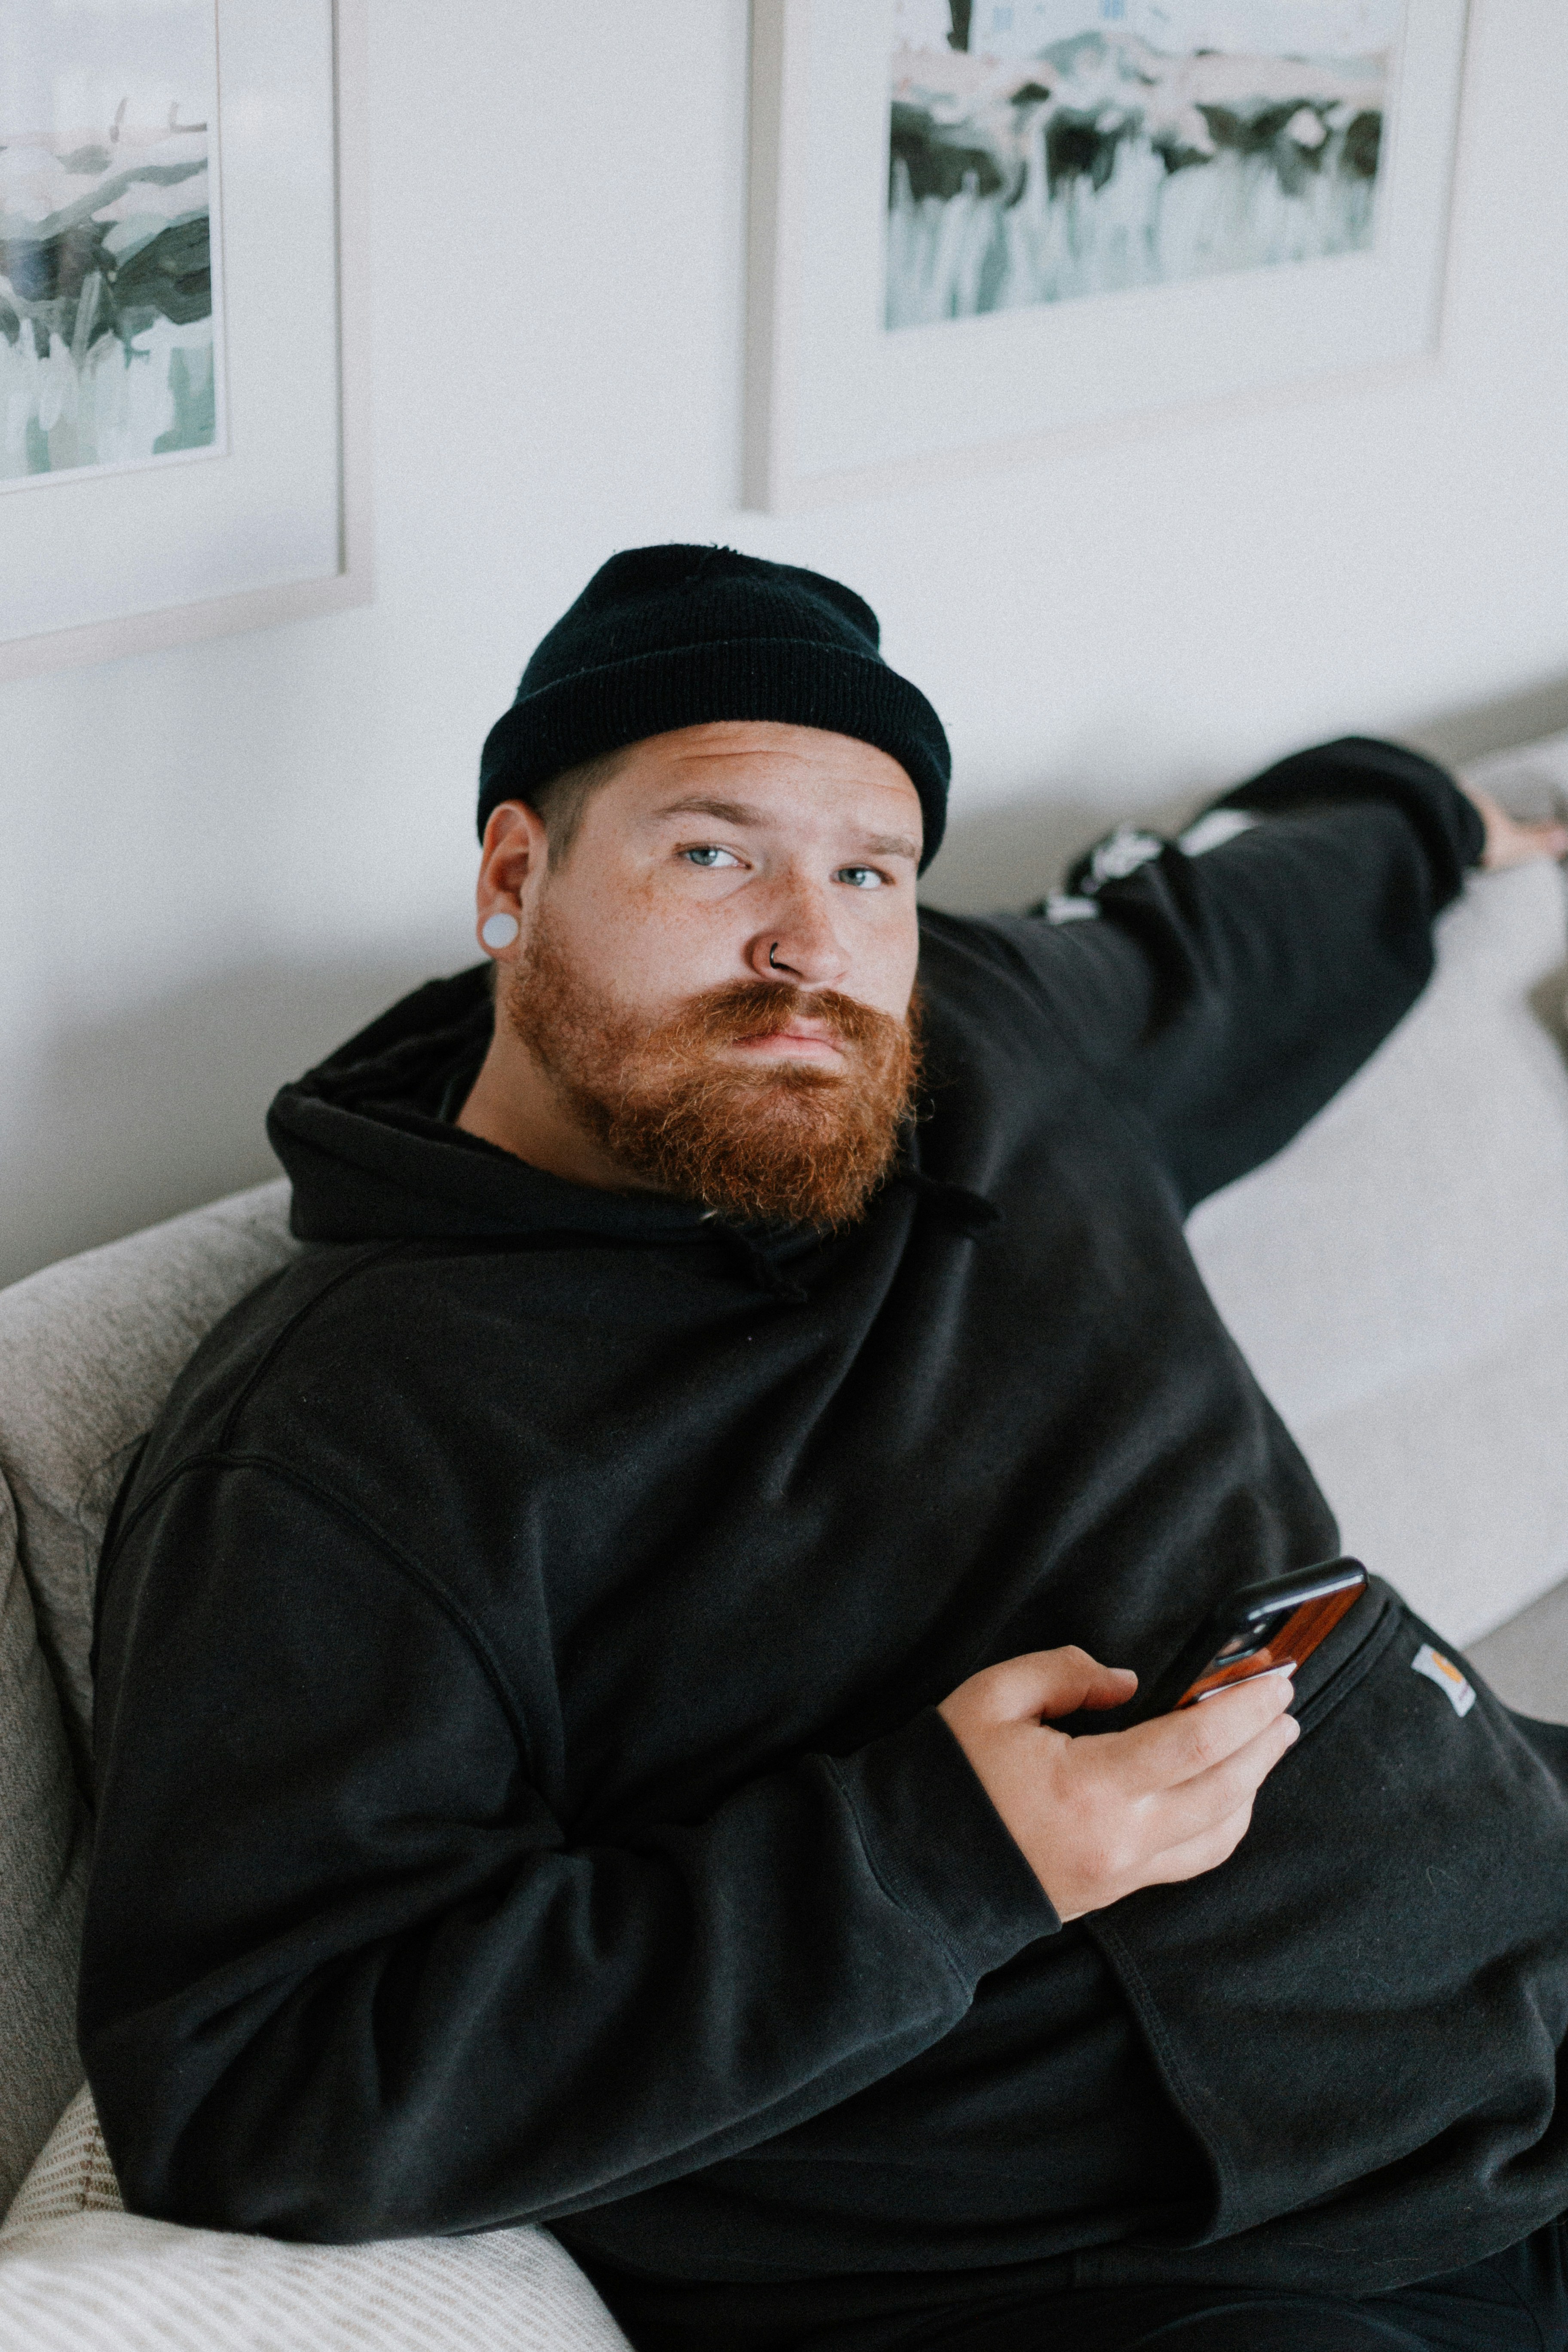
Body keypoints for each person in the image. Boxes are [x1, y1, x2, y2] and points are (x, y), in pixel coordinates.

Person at [81, 546, 1568, 2352]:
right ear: (513, 878)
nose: (809, 941)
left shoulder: (983, 1050)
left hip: (1518, 1962)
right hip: (1178, 2279)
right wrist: (938, 1856)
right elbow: (254, 2089)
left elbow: (1235, 941)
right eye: (718, 854)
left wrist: (1438, 817)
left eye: (869, 872)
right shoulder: (343, 1442)